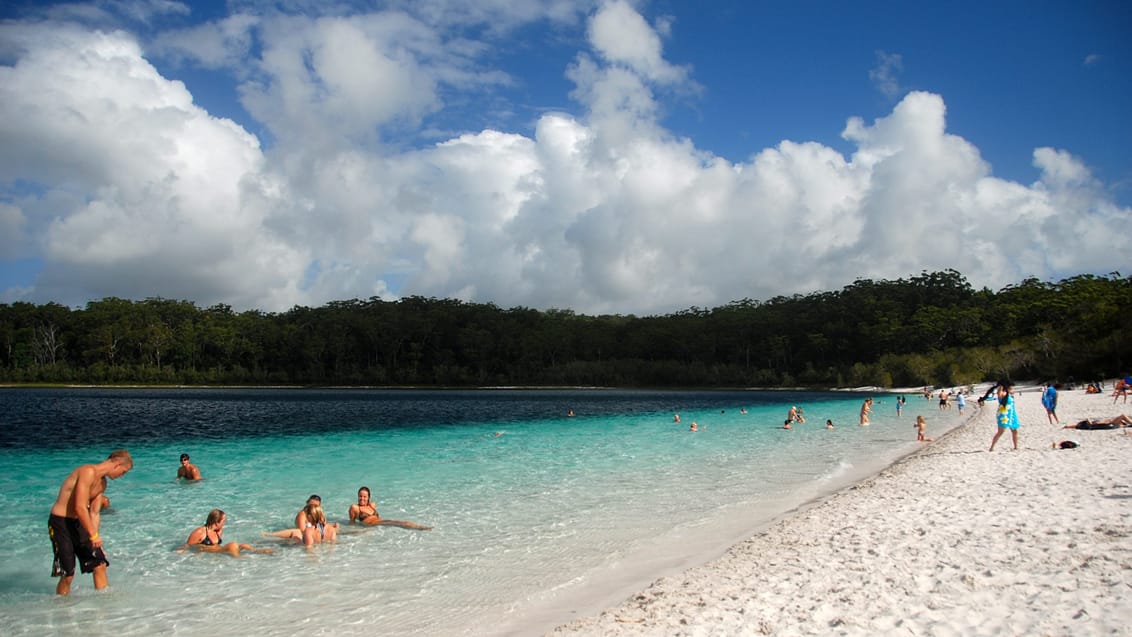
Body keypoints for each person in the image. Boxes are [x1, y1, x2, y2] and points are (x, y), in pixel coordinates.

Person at [48, 449, 133, 595]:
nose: (122, 476)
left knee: (99, 563)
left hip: (80, 523)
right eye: (123, 472)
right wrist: (92, 535)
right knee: (68, 574)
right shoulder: (87, 471)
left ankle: (104, 605)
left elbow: (94, 512)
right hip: (60, 523)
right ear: (117, 464)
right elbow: (80, 507)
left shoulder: (102, 484)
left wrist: (96, 540)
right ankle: (61, 609)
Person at [181, 509, 272, 556]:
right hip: (213, 551)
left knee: (243, 545)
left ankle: (257, 551)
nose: (225, 523)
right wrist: (180, 552)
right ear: (217, 522)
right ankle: (241, 560)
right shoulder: (200, 532)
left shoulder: (219, 531)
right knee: (232, 545)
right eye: (223, 521)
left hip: (220, 550)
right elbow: (187, 545)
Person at [348, 486, 432, 530]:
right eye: (360, 496)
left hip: (381, 522)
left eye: (364, 496)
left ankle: (421, 527)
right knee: (402, 524)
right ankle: (421, 528)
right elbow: (352, 523)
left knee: (402, 523)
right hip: (374, 525)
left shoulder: (371, 505)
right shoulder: (355, 507)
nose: (362, 498)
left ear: (369, 497)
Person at [264, 494, 331, 541]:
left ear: (319, 506)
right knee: (296, 531)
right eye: (310, 505)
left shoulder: (320, 514)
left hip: (313, 535)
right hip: (305, 535)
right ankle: (270, 535)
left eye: (315, 506)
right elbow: (302, 530)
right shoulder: (302, 514)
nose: (312, 507)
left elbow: (324, 526)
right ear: (307, 503)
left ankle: (269, 535)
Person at [989, 382, 1021, 451]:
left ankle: (1016, 447)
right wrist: (1001, 386)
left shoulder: (1010, 395)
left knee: (1014, 431)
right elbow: (999, 394)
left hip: (1012, 414)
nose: (1013, 390)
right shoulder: (1004, 394)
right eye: (1011, 389)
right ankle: (992, 447)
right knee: (1001, 431)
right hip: (1004, 414)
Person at [1062, 415, 1132, 429]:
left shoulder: (1082, 425)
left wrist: (1067, 426)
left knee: (1124, 417)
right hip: (1110, 424)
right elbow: (1076, 426)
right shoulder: (1092, 424)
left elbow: (1075, 426)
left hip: (1110, 424)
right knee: (1123, 416)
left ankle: (1129, 423)